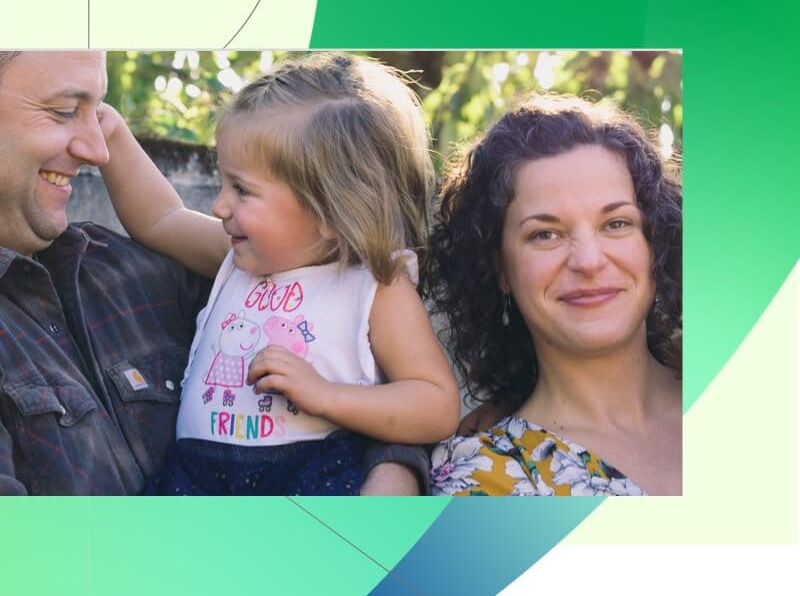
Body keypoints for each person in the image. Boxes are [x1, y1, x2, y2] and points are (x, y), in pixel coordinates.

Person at [0, 50, 431, 496]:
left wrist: (341, 410)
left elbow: (431, 402)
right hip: (194, 478)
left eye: (242, 189)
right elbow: (161, 217)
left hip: (312, 474)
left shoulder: (370, 284)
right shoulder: (237, 262)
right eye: (65, 111)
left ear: (328, 210)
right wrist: (115, 133)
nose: (219, 206)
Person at [428, 94, 682, 496]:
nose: (588, 261)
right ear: (499, 270)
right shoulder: (488, 476)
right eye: (544, 234)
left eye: (616, 223)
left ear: (657, 240)